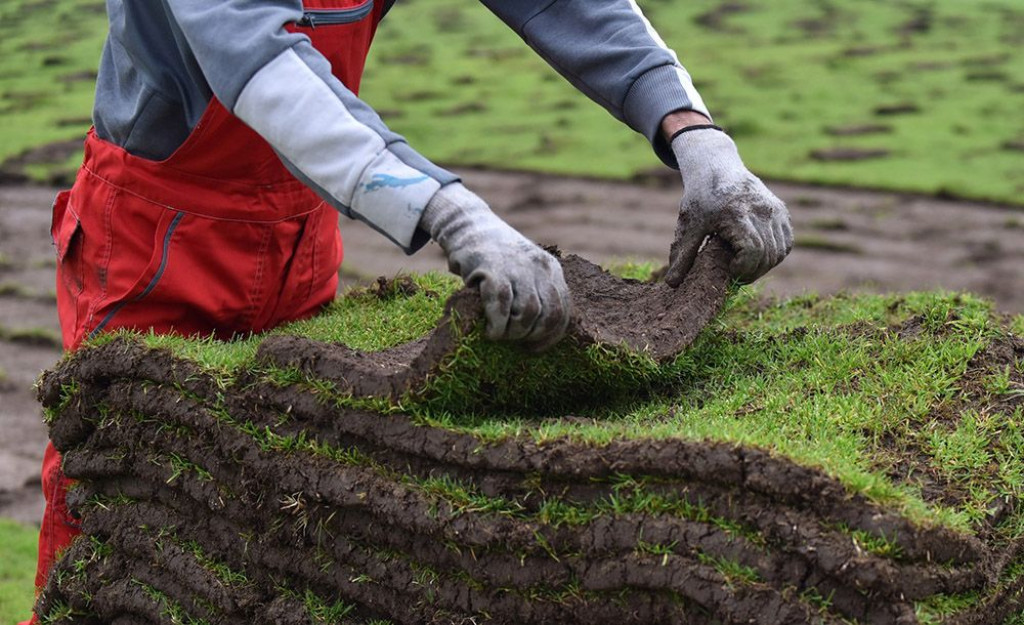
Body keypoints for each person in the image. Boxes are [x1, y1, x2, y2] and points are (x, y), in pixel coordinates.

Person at [23, 0, 792, 621]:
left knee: (273, 508)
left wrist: (693, 132)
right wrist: (452, 212)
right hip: (159, 239)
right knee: (116, 503)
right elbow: (263, 69)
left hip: (301, 225)